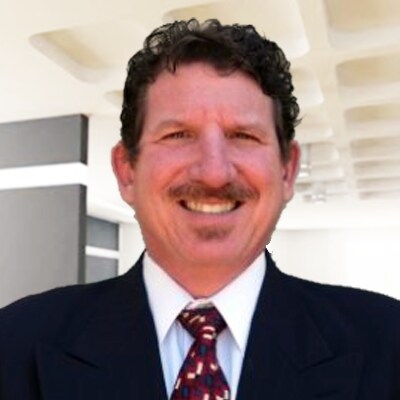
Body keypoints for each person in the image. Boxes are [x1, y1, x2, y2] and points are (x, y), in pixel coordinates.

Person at [0, 18, 399, 400]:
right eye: (178, 135)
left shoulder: (388, 343)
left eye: (243, 135)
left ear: (286, 171)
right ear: (127, 171)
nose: (213, 173)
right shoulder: (14, 345)